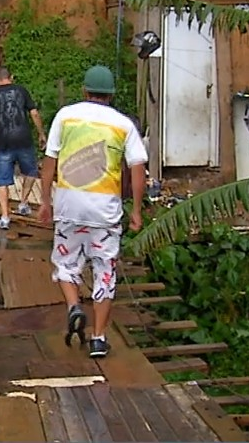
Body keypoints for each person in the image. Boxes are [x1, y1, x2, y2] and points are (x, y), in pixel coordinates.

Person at [38, 65, 147, 359]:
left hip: (68, 206)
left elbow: (50, 161)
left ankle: (74, 306)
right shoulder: (123, 124)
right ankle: (99, 339)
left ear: (85, 91)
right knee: (104, 272)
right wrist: (136, 210)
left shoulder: (66, 115)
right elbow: (138, 169)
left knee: (65, 265)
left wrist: (46, 201)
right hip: (105, 211)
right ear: (111, 95)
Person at [0, 67, 46, 230]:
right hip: (24, 140)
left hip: (4, 142)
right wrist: (41, 134)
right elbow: (34, 113)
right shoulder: (22, 90)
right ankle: (23, 203)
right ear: (12, 77)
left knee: (2, 180)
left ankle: (5, 217)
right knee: (30, 172)